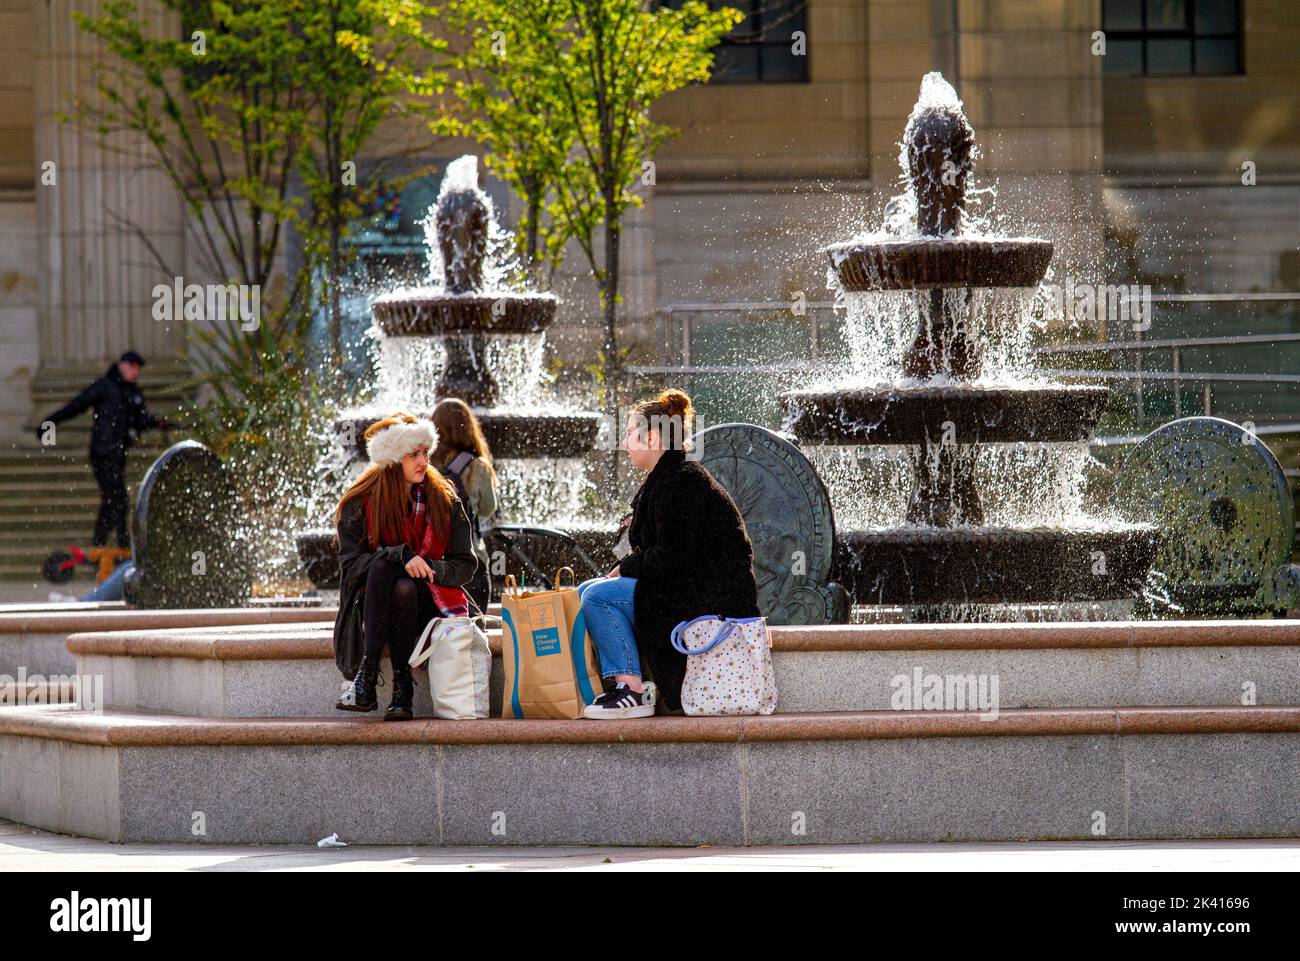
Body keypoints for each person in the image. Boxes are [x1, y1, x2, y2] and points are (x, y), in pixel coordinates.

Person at [578, 388, 760, 719]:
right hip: (684, 589)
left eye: (631, 433)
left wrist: (629, 567)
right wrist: (628, 566)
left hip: (708, 599)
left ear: (651, 438)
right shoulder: (665, 479)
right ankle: (618, 683)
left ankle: (631, 690)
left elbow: (674, 557)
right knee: (586, 591)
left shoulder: (683, 481)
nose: (626, 442)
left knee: (598, 597)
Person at [333, 413, 478, 720]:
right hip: (374, 604)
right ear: (392, 459)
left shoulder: (444, 499)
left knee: (402, 582)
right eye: (413, 455)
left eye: (426, 452)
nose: (423, 462)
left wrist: (429, 567)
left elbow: (466, 565)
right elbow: (350, 568)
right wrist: (399, 555)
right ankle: (401, 689)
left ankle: (367, 679)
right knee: (393, 578)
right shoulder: (359, 503)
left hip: (431, 602)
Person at [37, 350, 172, 549]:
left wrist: (159, 423)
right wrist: (50, 422)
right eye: (132, 366)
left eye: (137, 368)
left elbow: (141, 421)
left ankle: (101, 545)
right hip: (102, 453)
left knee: (112, 500)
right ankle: (121, 544)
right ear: (121, 365)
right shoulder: (105, 386)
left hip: (118, 454)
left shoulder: (134, 393)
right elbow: (77, 405)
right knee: (119, 499)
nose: (135, 371)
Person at [431, 398, 498, 612]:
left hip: (435, 565)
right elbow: (488, 508)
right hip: (471, 561)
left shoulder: (425, 464)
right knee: (475, 633)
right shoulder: (478, 466)